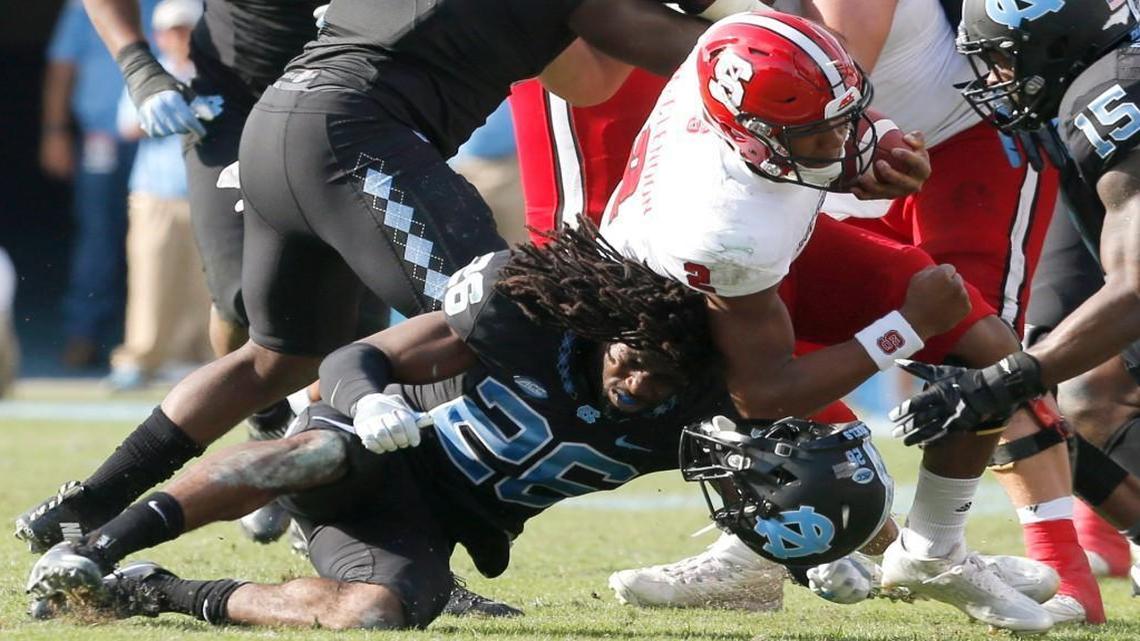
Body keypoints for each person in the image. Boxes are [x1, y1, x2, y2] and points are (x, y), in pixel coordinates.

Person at [13, 0, 719, 616]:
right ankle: (379, 512)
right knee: (496, 332)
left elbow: (587, 72)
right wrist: (790, 41)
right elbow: (688, 53)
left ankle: (92, 500)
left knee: (277, 356)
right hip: (357, 136)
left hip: (282, 121)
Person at [24, 226, 891, 629]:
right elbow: (355, 357)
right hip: (369, 452)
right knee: (319, 444)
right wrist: (370, 401)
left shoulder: (694, 413)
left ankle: (154, 589)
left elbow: (793, 469)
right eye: (632, 360)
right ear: (605, 327)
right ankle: (98, 543)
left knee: (370, 616)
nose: (639, 385)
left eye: (664, 378)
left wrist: (838, 549)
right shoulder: (533, 318)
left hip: (426, 523)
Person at [590, 11, 1064, 632]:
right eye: (823, 134)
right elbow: (763, 392)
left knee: (986, 347)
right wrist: (905, 327)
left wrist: (883, 138)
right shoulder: (726, 230)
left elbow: (827, 96)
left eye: (847, 118)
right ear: (757, 137)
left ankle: (933, 553)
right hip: (682, 297)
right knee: (807, 442)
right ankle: (762, 554)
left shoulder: (740, 55)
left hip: (772, 231)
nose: (844, 141)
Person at [890, 0, 1140, 577]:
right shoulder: (1103, 77)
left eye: (1003, 59)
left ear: (1057, 42)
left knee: (1056, 377)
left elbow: (1135, 289)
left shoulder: (1113, 94)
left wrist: (1004, 381)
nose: (997, 78)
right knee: (1085, 392)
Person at [42, 0, 158, 368]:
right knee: (98, 236)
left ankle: (158, 343)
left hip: (162, 139)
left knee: (163, 237)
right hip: (102, 136)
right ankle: (85, 333)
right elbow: (63, 65)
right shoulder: (82, 5)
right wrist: (55, 131)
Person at [105, 0, 213, 391]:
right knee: (152, 280)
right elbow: (128, 126)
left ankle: (201, 361)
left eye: (183, 30)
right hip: (157, 194)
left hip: (206, 195)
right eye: (169, 30)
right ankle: (140, 359)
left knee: (206, 286)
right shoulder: (151, 74)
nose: (175, 38)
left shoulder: (213, 74)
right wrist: (178, 110)